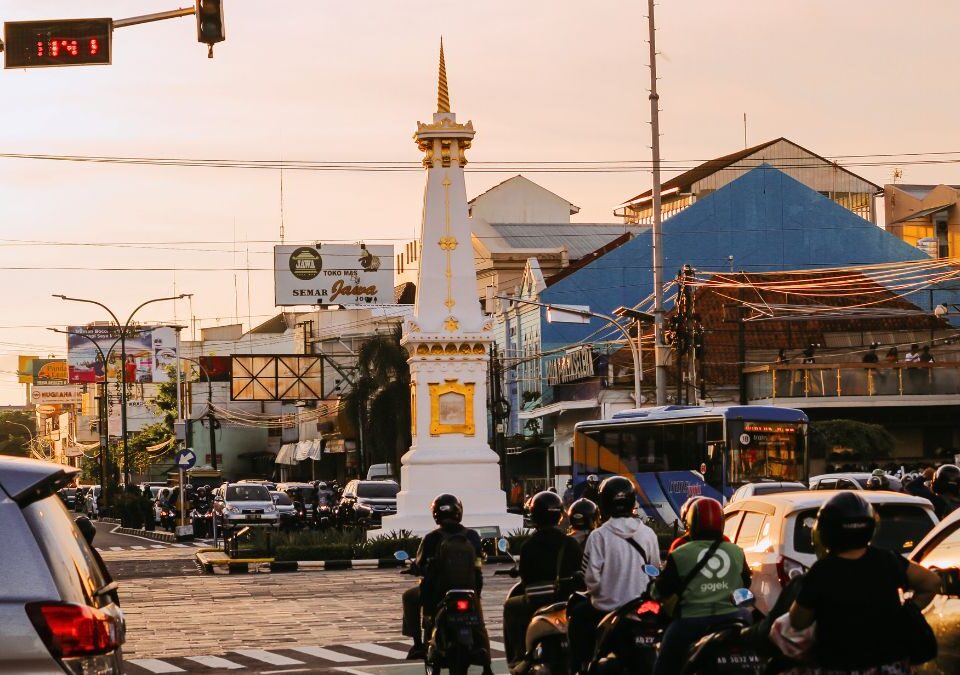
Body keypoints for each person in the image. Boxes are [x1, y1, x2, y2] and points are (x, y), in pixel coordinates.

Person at [788, 491, 939, 673]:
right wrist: (907, 610)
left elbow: (797, 621)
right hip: (890, 666)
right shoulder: (888, 560)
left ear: (825, 531)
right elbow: (931, 582)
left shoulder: (822, 572)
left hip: (840, 665)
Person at [568, 476, 659, 674]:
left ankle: (581, 666)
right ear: (632, 502)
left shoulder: (599, 536)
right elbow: (654, 571)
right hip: (640, 609)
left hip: (606, 610)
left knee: (577, 613)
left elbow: (590, 579)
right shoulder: (648, 534)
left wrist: (602, 592)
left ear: (604, 503)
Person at [652, 497, 751, 675]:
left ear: (691, 524)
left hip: (691, 622)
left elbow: (662, 590)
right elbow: (746, 583)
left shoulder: (680, 553)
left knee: (664, 666)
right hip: (733, 618)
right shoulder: (736, 551)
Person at [402, 494, 492, 675]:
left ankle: (418, 644)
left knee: (409, 597)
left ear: (436, 514)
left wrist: (415, 568)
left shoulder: (432, 538)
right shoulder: (472, 536)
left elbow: (420, 565)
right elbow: (480, 561)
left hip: (438, 593)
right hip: (469, 591)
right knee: (479, 624)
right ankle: (487, 664)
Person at [503, 491, 583, 666]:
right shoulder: (570, 543)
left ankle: (517, 655)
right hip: (566, 601)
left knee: (510, 606)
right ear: (560, 516)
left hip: (537, 601)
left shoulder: (529, 545)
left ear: (535, 516)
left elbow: (526, 577)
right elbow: (578, 571)